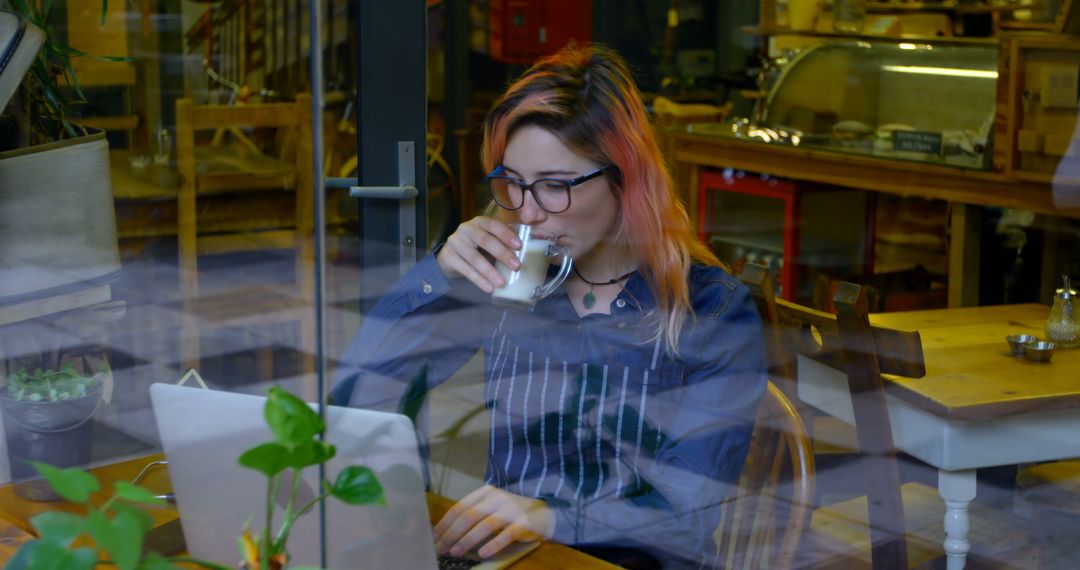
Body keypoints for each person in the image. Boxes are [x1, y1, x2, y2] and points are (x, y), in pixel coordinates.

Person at [331, 45, 766, 569]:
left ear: (625, 178)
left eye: (555, 186)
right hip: (512, 559)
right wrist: (438, 275)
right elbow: (363, 395)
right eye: (512, 183)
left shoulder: (711, 311)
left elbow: (686, 518)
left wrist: (551, 516)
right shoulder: (518, 276)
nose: (529, 214)